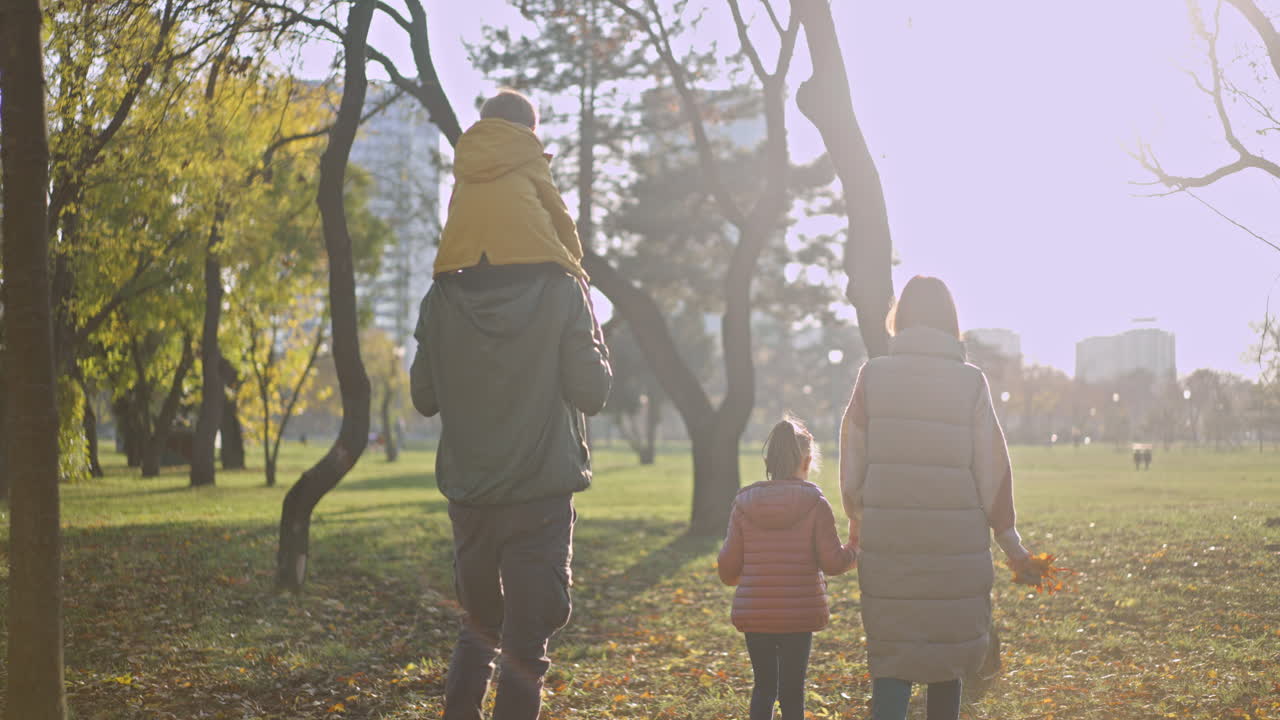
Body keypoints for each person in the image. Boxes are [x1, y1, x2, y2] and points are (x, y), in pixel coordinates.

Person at [410, 97, 612, 718]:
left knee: (478, 629)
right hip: (541, 497)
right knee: (527, 643)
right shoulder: (561, 289)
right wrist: (593, 336)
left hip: (471, 496)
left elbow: (423, 397)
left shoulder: (441, 296)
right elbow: (593, 393)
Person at [839, 275, 1036, 720]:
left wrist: (858, 515)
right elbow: (993, 469)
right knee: (948, 665)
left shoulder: (873, 377)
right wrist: (1012, 545)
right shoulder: (970, 382)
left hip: (890, 543)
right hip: (957, 545)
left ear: (900, 317)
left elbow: (852, 464)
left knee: (891, 662)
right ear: (951, 320)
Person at [717, 416, 857, 720]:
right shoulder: (815, 504)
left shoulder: (744, 503)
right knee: (793, 690)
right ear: (807, 461)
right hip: (799, 613)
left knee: (764, 687)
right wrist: (854, 547)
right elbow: (833, 562)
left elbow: (728, 570)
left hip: (756, 611)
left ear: (768, 460)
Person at [434, 88, 587, 280]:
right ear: (530, 128)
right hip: (530, 252)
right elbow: (558, 213)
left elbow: (455, 208)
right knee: (576, 294)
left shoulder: (466, 158)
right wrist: (574, 257)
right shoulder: (530, 155)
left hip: (462, 258)